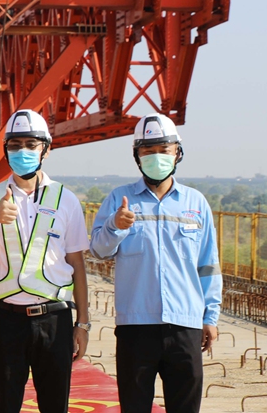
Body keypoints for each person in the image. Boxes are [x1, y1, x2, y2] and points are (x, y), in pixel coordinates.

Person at [90, 114, 222, 413]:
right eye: (148, 151)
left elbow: (208, 264)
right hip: (136, 326)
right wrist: (115, 225)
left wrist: (210, 315)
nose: (156, 157)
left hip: (185, 325)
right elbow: (98, 250)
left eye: (164, 149)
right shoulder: (119, 199)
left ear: (178, 152)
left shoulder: (196, 203)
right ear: (137, 156)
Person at [0, 109, 91, 413]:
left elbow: (77, 263)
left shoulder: (66, 198)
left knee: (54, 405)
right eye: (14, 144)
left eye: (31, 144)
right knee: (5, 404)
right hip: (5, 320)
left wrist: (83, 323)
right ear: (6, 150)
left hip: (55, 319)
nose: (22, 151)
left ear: (46, 150)